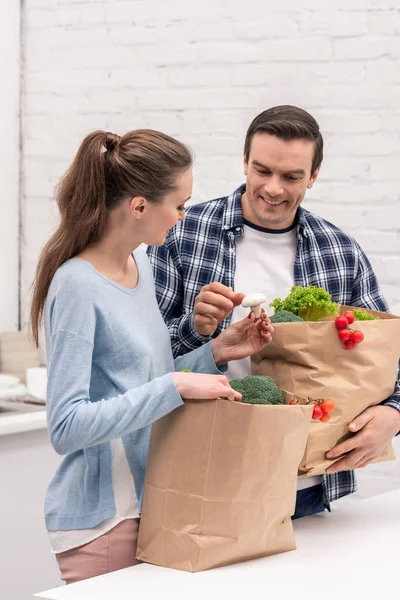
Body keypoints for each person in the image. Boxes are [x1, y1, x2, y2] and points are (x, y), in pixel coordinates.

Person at [30, 129, 274, 584]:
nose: (183, 217)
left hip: (152, 503)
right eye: (179, 205)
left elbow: (144, 380)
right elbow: (65, 427)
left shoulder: (137, 267)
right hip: (107, 523)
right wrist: (175, 387)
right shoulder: (77, 286)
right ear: (139, 206)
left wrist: (216, 352)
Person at [147, 105, 400, 518]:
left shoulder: (340, 251)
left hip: (305, 484)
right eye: (262, 170)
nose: (273, 188)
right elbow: (140, 363)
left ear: (314, 176)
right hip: (203, 472)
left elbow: (389, 360)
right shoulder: (181, 233)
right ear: (244, 161)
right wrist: (195, 329)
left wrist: (393, 415)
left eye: (291, 176)